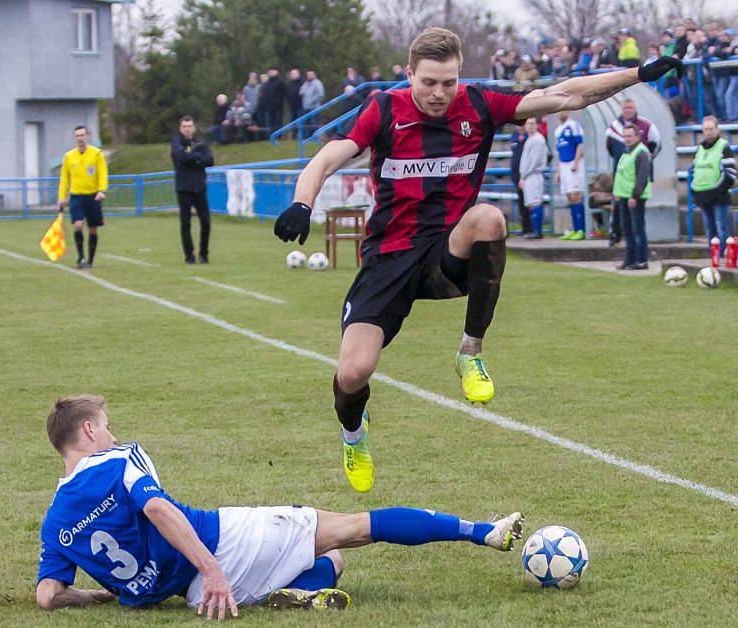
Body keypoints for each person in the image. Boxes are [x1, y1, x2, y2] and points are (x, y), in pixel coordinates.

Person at [272, 26, 682, 493]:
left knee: (488, 217)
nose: (439, 93)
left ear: (459, 76)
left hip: (447, 250)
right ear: (409, 74)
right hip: (389, 259)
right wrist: (303, 203)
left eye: (448, 82)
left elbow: (565, 95)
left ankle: (471, 352)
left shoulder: (481, 103)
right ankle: (353, 435)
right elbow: (325, 159)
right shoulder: (384, 109)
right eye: (428, 82)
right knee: (352, 372)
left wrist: (639, 73)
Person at [35, 395, 525, 617]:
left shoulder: (55, 523)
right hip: (220, 547)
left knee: (331, 560)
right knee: (355, 528)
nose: (113, 433)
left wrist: (101, 596)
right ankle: (484, 532)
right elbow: (159, 511)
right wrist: (212, 570)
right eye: (107, 424)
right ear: (89, 432)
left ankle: (301, 595)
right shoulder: (117, 460)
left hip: (187, 598)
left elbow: (48, 596)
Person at [605, 98, 660, 244]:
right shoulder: (614, 127)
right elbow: (610, 148)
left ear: (635, 108)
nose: (627, 110)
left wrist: (644, 162)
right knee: (619, 214)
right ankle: (615, 236)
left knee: (637, 221)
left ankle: (639, 256)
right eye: (625, 108)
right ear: (621, 109)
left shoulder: (646, 125)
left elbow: (656, 145)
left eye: (630, 107)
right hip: (622, 179)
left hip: (638, 181)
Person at [57, 126, 108, 269]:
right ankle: (80, 257)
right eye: (77, 136)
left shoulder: (96, 154)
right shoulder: (69, 156)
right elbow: (64, 179)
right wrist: (61, 197)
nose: (80, 138)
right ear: (75, 138)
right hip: (76, 196)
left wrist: (101, 190)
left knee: (92, 229)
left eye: (82, 135)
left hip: (93, 196)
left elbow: (102, 173)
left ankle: (90, 260)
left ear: (87, 136)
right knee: (78, 225)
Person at [690, 115, 737, 256]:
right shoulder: (700, 148)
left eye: (711, 129)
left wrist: (717, 191)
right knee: (709, 230)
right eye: (706, 129)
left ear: (717, 129)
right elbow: (695, 171)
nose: (708, 132)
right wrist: (695, 191)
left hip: (719, 196)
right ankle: (714, 258)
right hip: (703, 195)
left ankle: (724, 259)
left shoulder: (724, 147)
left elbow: (731, 174)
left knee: (721, 229)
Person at [170, 116, 214, 265]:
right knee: (186, 223)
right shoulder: (176, 143)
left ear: (194, 127)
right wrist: (196, 157)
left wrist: (194, 158)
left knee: (206, 222)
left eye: (189, 126)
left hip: (199, 187)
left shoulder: (201, 142)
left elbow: (210, 160)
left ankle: (204, 254)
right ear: (180, 128)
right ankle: (189, 255)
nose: (187, 128)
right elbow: (181, 158)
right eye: (184, 126)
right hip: (184, 188)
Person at [612, 124, 651, 270]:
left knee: (637, 229)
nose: (627, 139)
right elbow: (621, 174)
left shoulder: (641, 152)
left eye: (630, 136)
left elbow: (642, 177)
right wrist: (616, 192)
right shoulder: (627, 151)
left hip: (635, 198)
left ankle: (641, 260)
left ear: (637, 136)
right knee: (626, 229)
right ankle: (629, 259)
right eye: (625, 136)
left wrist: (635, 196)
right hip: (623, 196)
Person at [554, 110, 586, 240]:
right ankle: (575, 229)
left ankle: (582, 229)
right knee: (569, 197)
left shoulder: (573, 125)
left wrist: (576, 162)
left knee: (576, 195)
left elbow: (580, 145)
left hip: (574, 163)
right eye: (559, 111)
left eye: (563, 110)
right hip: (563, 165)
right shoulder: (557, 130)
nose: (561, 113)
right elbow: (558, 152)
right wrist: (558, 171)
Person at [518, 117, 548, 239]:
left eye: (532, 123)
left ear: (537, 125)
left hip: (533, 174)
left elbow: (533, 161)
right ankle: (536, 230)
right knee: (531, 203)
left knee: (535, 202)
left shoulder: (538, 139)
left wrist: (523, 175)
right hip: (528, 175)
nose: (529, 126)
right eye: (528, 123)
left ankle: (538, 231)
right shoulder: (529, 139)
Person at [509, 123, 531, 234]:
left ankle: (531, 228)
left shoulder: (530, 137)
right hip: (516, 176)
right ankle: (525, 228)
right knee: (521, 202)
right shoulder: (514, 136)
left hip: (527, 175)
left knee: (529, 202)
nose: (521, 127)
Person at [263, 68, 286, 134]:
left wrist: (278, 101)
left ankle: (279, 135)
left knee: (278, 122)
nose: (270, 73)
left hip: (278, 107)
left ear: (276, 72)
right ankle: (270, 135)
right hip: (269, 106)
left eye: (272, 71)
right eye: (269, 72)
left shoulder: (280, 82)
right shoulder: (267, 83)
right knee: (269, 122)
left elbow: (284, 92)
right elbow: (265, 94)